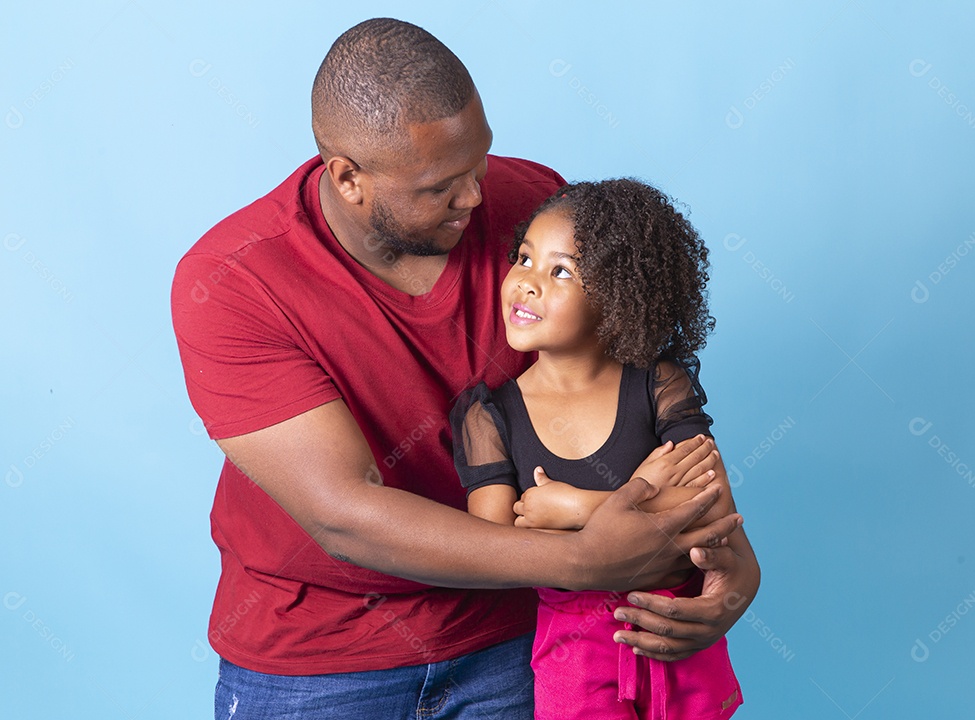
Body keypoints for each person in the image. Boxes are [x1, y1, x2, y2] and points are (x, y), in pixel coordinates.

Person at [171, 17, 759, 719]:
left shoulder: (534, 211)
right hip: (321, 660)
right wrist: (585, 561)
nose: (477, 198)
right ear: (348, 178)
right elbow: (345, 514)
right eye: (440, 186)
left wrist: (736, 569)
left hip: (521, 639)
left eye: (479, 163)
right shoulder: (234, 281)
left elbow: (641, 410)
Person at [452, 179, 744, 719]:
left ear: (618, 294)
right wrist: (651, 498)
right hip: (576, 654)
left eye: (560, 270)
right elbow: (498, 548)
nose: (527, 283)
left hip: (678, 634)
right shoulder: (487, 415)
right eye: (524, 259)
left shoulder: (659, 385)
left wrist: (572, 508)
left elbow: (710, 511)